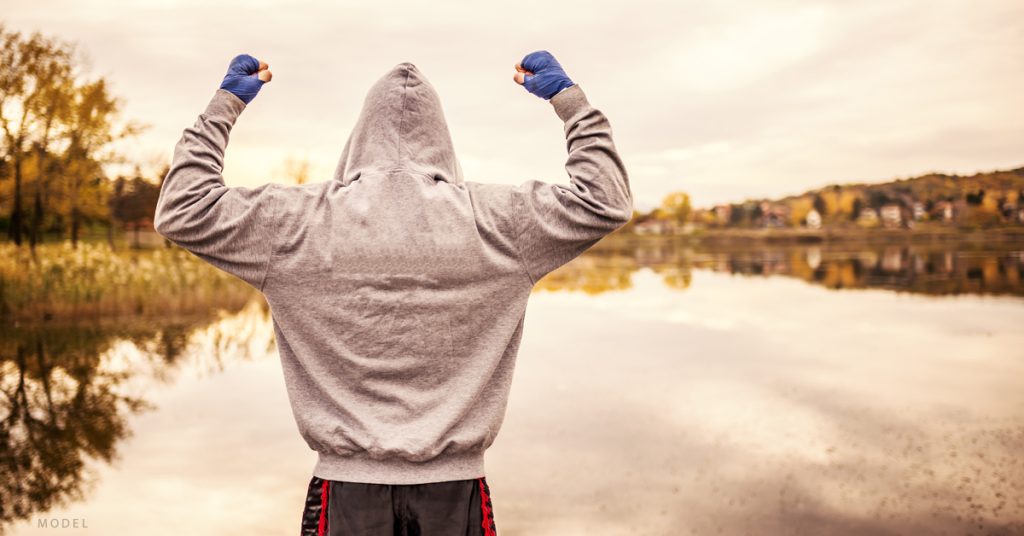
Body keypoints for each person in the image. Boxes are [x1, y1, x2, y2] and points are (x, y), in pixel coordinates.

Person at [154, 49, 633, 536]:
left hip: (345, 493)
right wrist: (569, 102)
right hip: (456, 493)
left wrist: (225, 105)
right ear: (442, 138)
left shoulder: (295, 221)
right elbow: (605, 201)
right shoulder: (497, 221)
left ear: (359, 137)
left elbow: (181, 210)